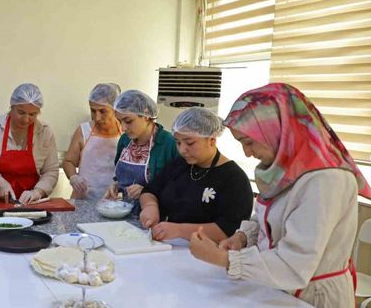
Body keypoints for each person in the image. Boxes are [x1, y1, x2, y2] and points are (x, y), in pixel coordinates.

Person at [190, 83, 369, 308]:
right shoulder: (285, 171)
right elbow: (270, 217)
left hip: (313, 296)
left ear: (277, 129)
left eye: (248, 142)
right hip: (279, 287)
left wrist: (223, 259)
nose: (247, 152)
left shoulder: (325, 180)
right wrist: (244, 237)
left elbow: (295, 264)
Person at [139, 107, 253, 242]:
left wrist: (179, 230)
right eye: (178, 142)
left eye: (190, 143)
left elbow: (230, 229)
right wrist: (149, 206)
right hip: (169, 247)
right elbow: (150, 190)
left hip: (208, 255)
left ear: (211, 140)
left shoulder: (233, 179)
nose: (182, 150)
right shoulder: (179, 165)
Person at [0, 83, 59, 205]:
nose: (26, 119)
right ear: (11, 107)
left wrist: (37, 192)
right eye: (21, 112)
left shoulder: (44, 132)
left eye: (32, 114)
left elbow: (51, 170)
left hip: (30, 204)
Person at [104, 90, 179, 212]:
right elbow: (120, 177)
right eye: (119, 121)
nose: (123, 128)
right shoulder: (124, 141)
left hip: (155, 217)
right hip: (124, 212)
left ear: (146, 115)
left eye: (128, 121)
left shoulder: (169, 144)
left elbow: (180, 186)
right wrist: (116, 185)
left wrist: (147, 191)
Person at [63, 83, 121, 200]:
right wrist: (74, 177)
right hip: (83, 199)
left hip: (114, 201)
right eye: (93, 111)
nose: (97, 117)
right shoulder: (84, 131)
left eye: (102, 111)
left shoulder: (125, 134)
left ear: (115, 109)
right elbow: (68, 161)